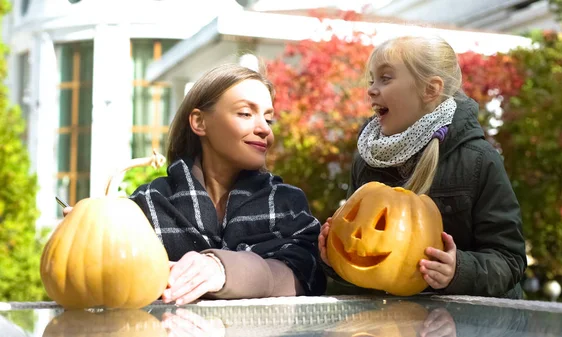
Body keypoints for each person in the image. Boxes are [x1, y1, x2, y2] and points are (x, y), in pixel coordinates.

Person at [64, 64, 326, 304]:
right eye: (246, 113)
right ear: (200, 122)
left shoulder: (287, 203)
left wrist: (221, 269)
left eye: (268, 119)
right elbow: (110, 281)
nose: (264, 129)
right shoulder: (145, 205)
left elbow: (308, 272)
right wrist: (87, 238)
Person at [318, 35, 526, 299]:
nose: (371, 90)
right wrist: (332, 258)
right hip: (396, 320)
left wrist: (458, 271)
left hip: (469, 322)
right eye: (371, 80)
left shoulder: (478, 160)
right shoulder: (368, 158)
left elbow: (509, 260)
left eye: (385, 78)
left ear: (430, 90)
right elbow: (366, 261)